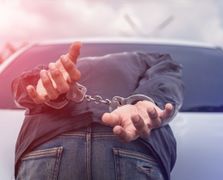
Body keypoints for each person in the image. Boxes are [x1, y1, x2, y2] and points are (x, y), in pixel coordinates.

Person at [12, 42, 184, 180]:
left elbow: (22, 85)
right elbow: (166, 77)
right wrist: (147, 100)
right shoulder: (154, 59)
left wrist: (38, 85)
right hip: (134, 147)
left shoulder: (53, 68)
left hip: (47, 144)